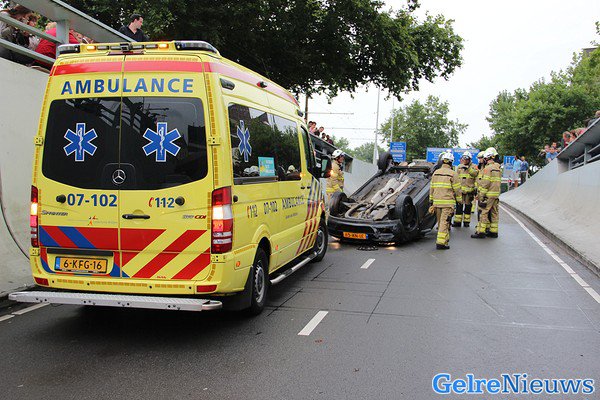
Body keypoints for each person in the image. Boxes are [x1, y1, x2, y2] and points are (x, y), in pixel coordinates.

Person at [429, 152, 462, 249]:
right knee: (445, 222)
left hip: (437, 203)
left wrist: (431, 200)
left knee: (440, 222)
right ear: (451, 162)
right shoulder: (453, 174)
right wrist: (459, 201)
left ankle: (445, 239)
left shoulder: (436, 173)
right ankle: (441, 243)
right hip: (447, 203)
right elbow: (457, 189)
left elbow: (432, 188)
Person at [472, 148, 501, 239]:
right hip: (496, 194)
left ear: (486, 158)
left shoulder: (487, 169)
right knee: (494, 212)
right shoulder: (497, 168)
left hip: (488, 194)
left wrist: (481, 195)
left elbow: (486, 183)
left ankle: (481, 232)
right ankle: (494, 232)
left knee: (483, 212)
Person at [453, 151, 478, 227]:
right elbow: (456, 178)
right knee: (459, 206)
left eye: (466, 159)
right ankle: (457, 222)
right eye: (464, 158)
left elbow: (475, 174)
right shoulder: (459, 167)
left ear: (470, 159)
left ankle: (466, 222)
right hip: (460, 191)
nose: (465, 160)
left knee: (468, 207)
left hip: (469, 191)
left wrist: (468, 168)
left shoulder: (474, 167)